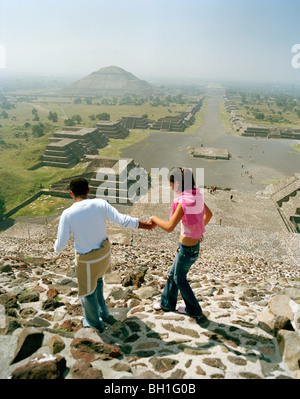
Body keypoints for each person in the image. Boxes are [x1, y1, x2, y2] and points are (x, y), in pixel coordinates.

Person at [54, 177, 155, 332]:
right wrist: (146, 226)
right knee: (98, 282)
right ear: (88, 190)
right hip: (103, 256)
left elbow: (61, 243)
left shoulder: (68, 214)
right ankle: (104, 313)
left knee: (87, 293)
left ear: (70, 193)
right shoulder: (100, 203)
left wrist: (56, 251)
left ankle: (95, 324)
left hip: (87, 261)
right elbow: (122, 220)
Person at [150, 167, 212, 319]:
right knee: (173, 275)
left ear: (177, 183)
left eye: (170, 183)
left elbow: (170, 227)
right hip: (191, 247)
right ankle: (167, 304)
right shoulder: (196, 195)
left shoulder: (183, 202)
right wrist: (199, 231)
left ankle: (194, 309)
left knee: (180, 279)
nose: (171, 187)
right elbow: (209, 215)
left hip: (187, 249)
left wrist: (154, 218)